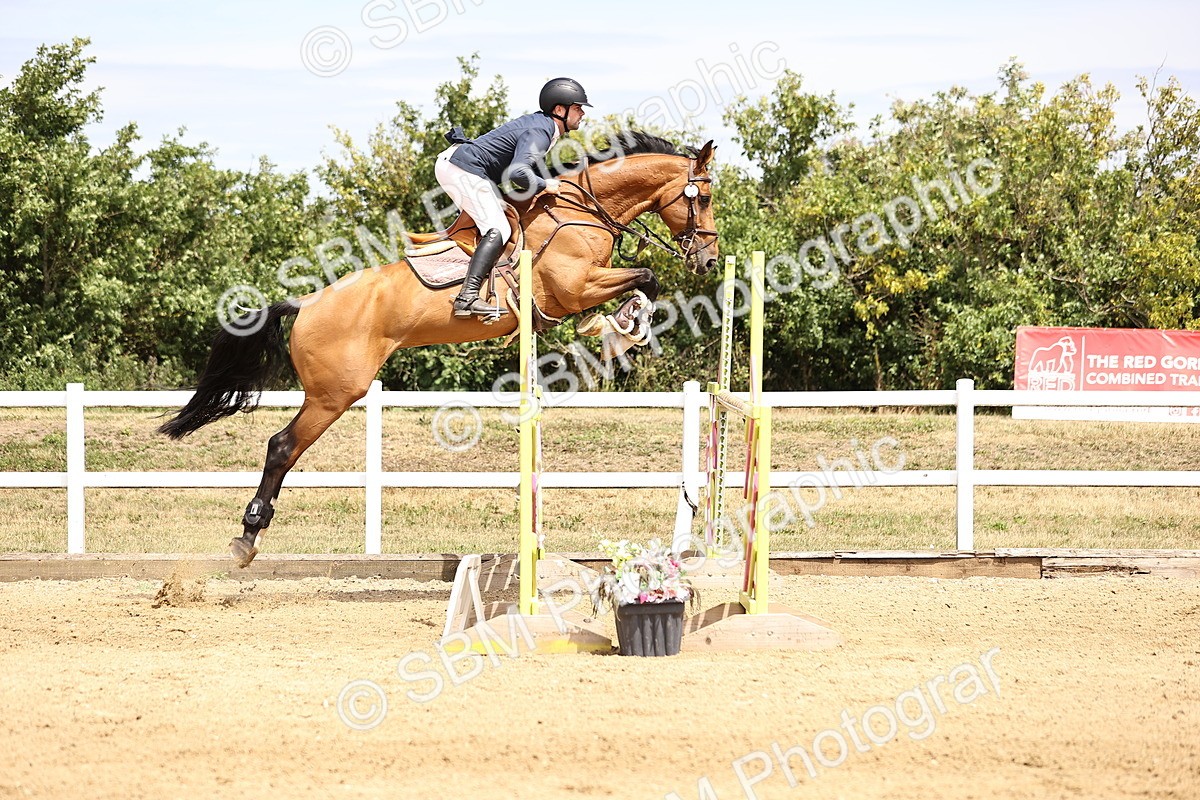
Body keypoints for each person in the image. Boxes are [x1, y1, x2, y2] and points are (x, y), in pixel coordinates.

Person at [435, 77, 591, 318]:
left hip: (462, 167)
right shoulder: (541, 130)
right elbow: (518, 173)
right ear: (559, 110)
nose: (582, 113)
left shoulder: (545, 129)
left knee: (499, 220)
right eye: (578, 108)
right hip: (461, 169)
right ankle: (466, 299)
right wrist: (545, 185)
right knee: (499, 228)